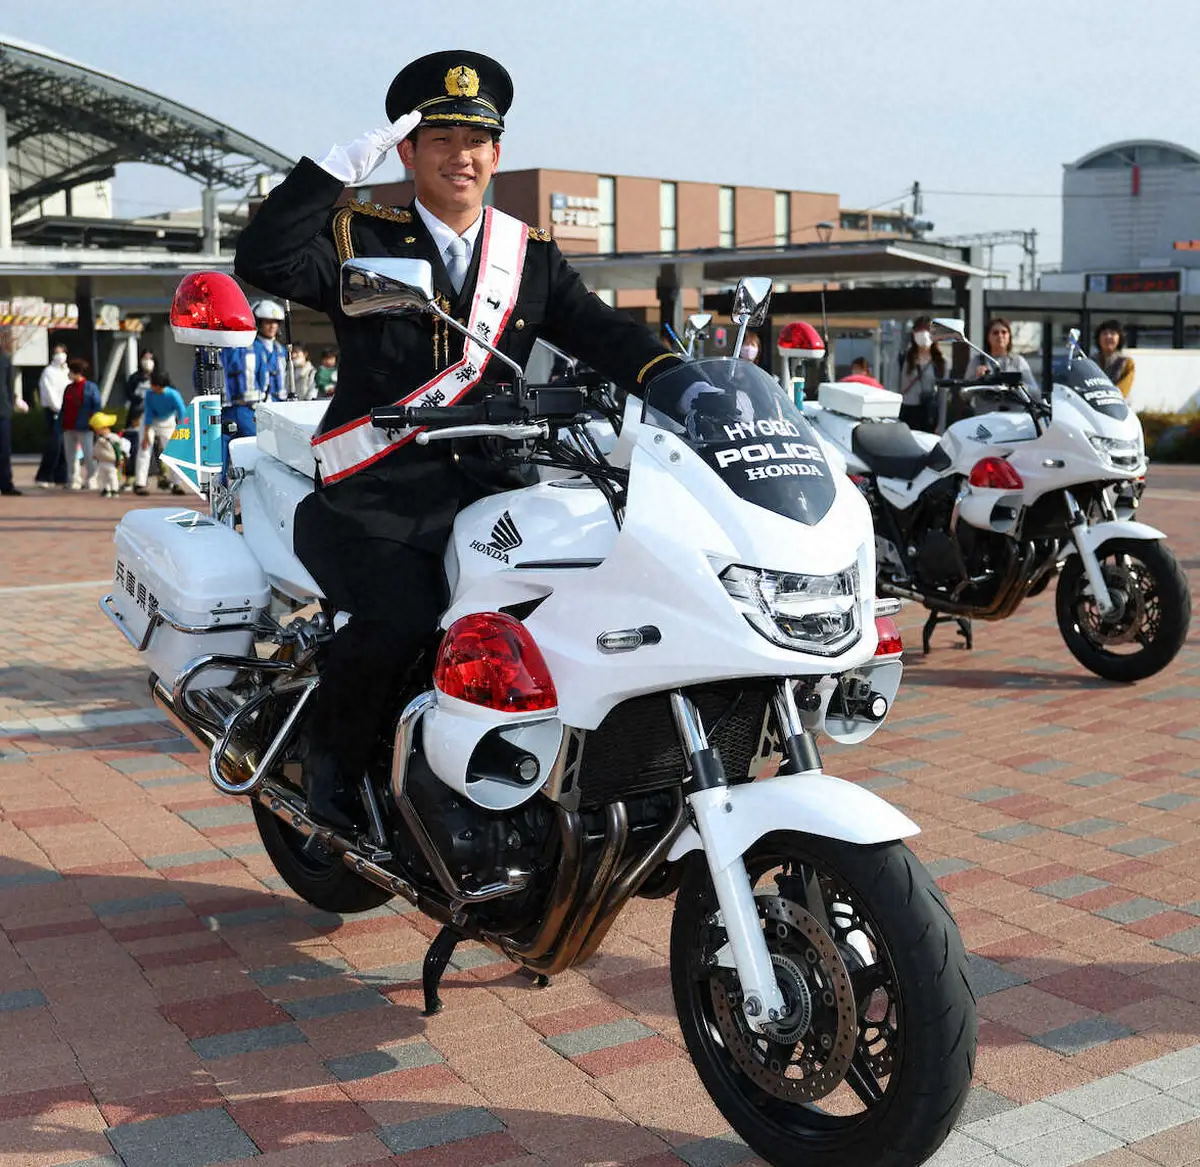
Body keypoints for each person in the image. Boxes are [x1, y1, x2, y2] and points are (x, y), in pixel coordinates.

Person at [235, 49, 684, 829]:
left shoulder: (530, 256)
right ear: (406, 153)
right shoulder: (358, 236)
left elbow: (599, 330)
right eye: (440, 139)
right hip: (376, 495)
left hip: (492, 489)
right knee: (404, 616)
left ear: (498, 155)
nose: (461, 157)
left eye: (476, 142)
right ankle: (328, 768)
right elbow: (265, 259)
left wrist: (678, 377)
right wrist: (330, 170)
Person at [219, 300, 288, 465]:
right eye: (267, 322)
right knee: (220, 458)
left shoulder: (278, 350)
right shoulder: (232, 348)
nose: (272, 326)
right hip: (232, 409)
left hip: (260, 410)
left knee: (254, 457)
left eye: (275, 323)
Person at [133, 368, 187, 495]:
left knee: (172, 452)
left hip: (167, 422)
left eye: (152, 384)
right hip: (150, 423)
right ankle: (140, 483)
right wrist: (146, 435)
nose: (150, 386)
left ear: (159, 385)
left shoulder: (173, 394)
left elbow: (182, 413)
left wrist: (182, 432)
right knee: (144, 449)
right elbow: (148, 414)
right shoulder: (150, 394)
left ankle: (176, 483)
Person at [896, 316, 945, 430]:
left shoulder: (941, 362)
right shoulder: (904, 358)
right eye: (919, 329)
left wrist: (941, 426)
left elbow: (943, 397)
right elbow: (893, 387)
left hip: (928, 413)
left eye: (927, 329)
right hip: (906, 412)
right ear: (913, 333)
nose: (923, 333)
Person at [969, 317, 1039, 395]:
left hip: (1014, 406)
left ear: (1009, 336)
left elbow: (1035, 391)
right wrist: (977, 380)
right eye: (995, 333)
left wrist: (1017, 386)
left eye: (1004, 332)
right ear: (987, 337)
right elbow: (964, 395)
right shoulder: (977, 361)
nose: (1000, 336)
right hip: (986, 407)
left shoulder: (1018, 361)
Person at [60, 359, 101, 490]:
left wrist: (93, 422)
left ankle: (92, 478)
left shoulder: (90, 387)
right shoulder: (68, 388)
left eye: (71, 372)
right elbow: (64, 407)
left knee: (89, 454)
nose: (69, 374)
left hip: (84, 426)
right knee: (70, 456)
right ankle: (73, 480)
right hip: (68, 426)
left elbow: (97, 406)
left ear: (76, 372)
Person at [34, 344, 69, 488]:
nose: (59, 355)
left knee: (65, 445)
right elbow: (48, 392)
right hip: (53, 411)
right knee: (54, 443)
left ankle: (61, 476)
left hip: (66, 411)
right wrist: (57, 408)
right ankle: (44, 476)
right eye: (56, 353)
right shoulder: (48, 372)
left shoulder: (67, 371)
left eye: (62, 352)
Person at [0, 334, 28, 497]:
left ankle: (6, 484)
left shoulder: (4, 358)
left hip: (2, 410)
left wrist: (10, 405)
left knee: (4, 450)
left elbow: (10, 385)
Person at [123, 348, 155, 488]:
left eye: (150, 358)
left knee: (156, 447)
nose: (148, 362)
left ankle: (158, 475)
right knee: (135, 444)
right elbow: (128, 393)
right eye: (145, 358)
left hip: (155, 416)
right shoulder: (134, 377)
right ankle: (131, 476)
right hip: (137, 414)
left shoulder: (157, 377)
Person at [89, 412, 129, 497]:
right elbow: (97, 450)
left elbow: (118, 450)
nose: (96, 431)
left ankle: (114, 489)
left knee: (112, 476)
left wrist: (119, 459)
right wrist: (95, 455)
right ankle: (105, 489)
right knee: (102, 477)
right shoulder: (99, 438)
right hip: (102, 462)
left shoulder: (113, 438)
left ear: (104, 427)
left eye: (97, 429)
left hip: (111, 462)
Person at [1095, 319, 1135, 397]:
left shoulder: (1127, 362)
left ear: (1120, 338)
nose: (1108, 336)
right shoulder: (1090, 361)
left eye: (1113, 333)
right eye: (1104, 333)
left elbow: (1124, 389)